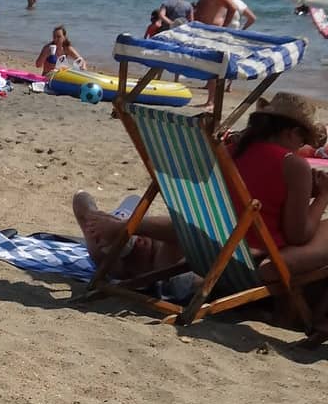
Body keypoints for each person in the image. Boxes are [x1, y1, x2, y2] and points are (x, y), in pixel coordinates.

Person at [74, 93, 328, 283]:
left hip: (194, 250)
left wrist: (304, 192)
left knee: (112, 238)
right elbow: (298, 236)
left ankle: (120, 224)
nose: (302, 146)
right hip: (239, 263)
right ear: (293, 132)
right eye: (303, 140)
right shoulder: (293, 165)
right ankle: (124, 225)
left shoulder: (229, 151)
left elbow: (254, 195)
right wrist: (323, 196)